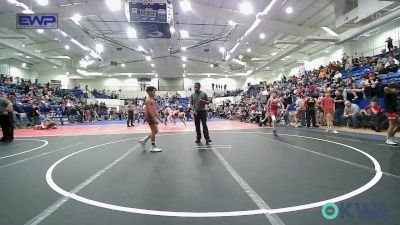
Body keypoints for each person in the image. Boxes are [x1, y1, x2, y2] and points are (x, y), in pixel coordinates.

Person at [139, 86, 162, 152]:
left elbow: (155, 110)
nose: (155, 93)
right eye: (153, 92)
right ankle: (153, 147)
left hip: (152, 117)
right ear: (149, 92)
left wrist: (159, 118)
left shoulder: (152, 99)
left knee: (156, 131)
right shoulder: (148, 100)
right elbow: (149, 110)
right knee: (153, 131)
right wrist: (154, 118)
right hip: (150, 117)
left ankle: (144, 140)